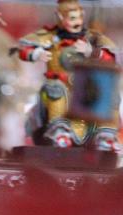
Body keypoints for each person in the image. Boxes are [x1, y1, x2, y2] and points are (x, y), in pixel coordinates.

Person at [18, 0, 118, 150]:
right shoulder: (49, 37)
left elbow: (111, 59)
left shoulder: (91, 38)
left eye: (79, 17)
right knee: (54, 90)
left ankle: (105, 135)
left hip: (85, 87)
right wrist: (36, 53)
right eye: (72, 18)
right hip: (59, 84)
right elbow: (23, 50)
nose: (77, 22)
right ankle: (59, 131)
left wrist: (91, 52)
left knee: (108, 92)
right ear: (59, 17)